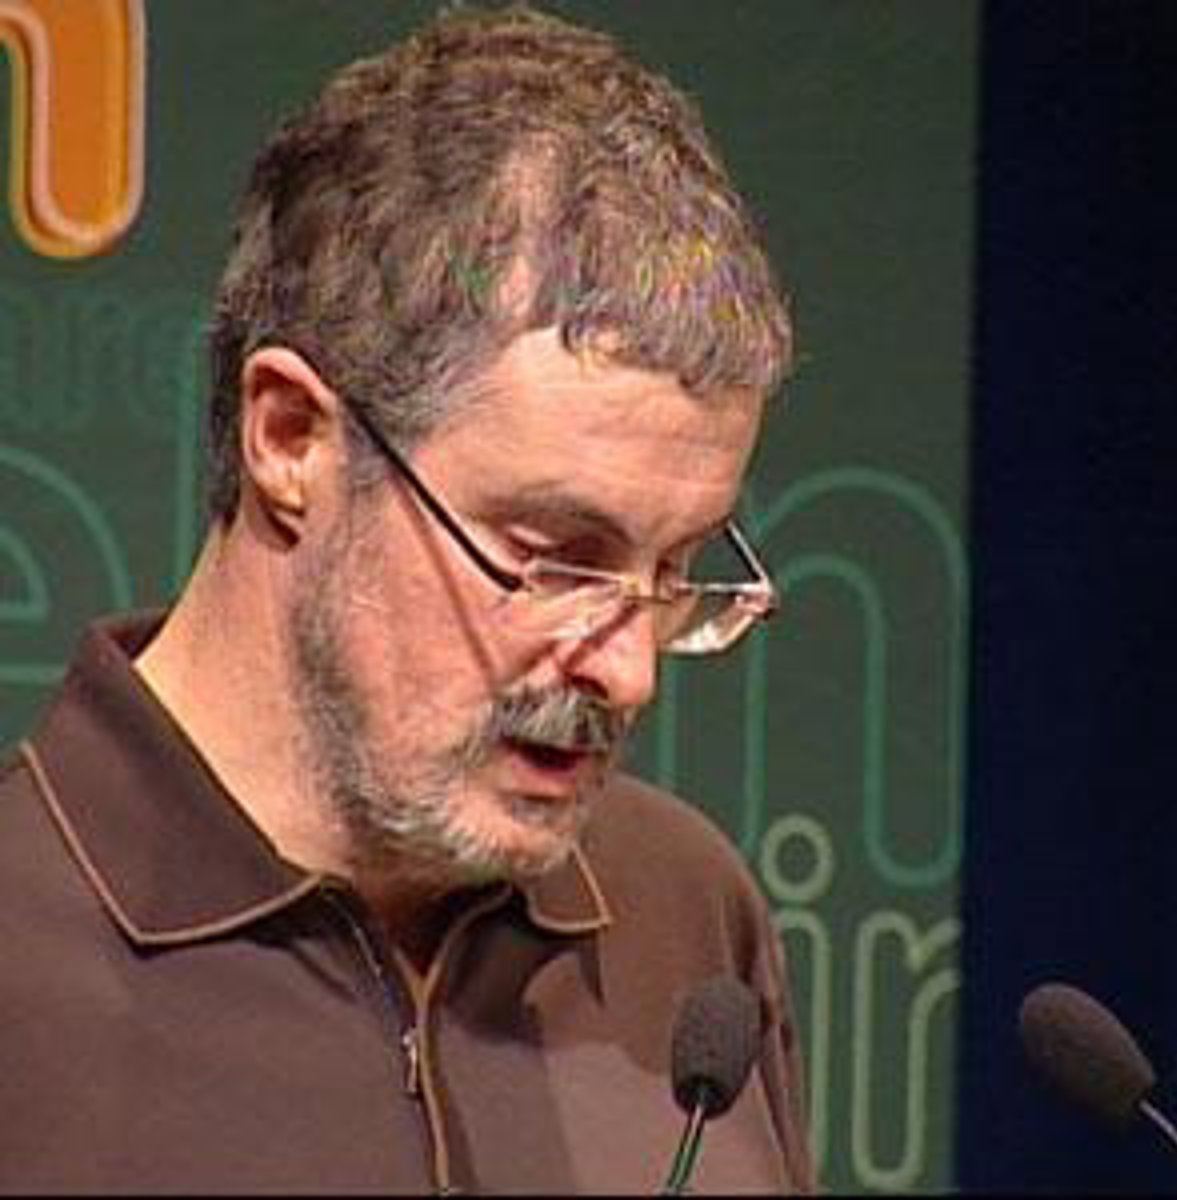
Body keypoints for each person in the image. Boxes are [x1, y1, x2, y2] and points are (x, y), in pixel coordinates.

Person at [0, 3, 814, 1192]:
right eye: (558, 556)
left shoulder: (685, 913)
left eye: (677, 567)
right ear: (292, 439)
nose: (629, 669)